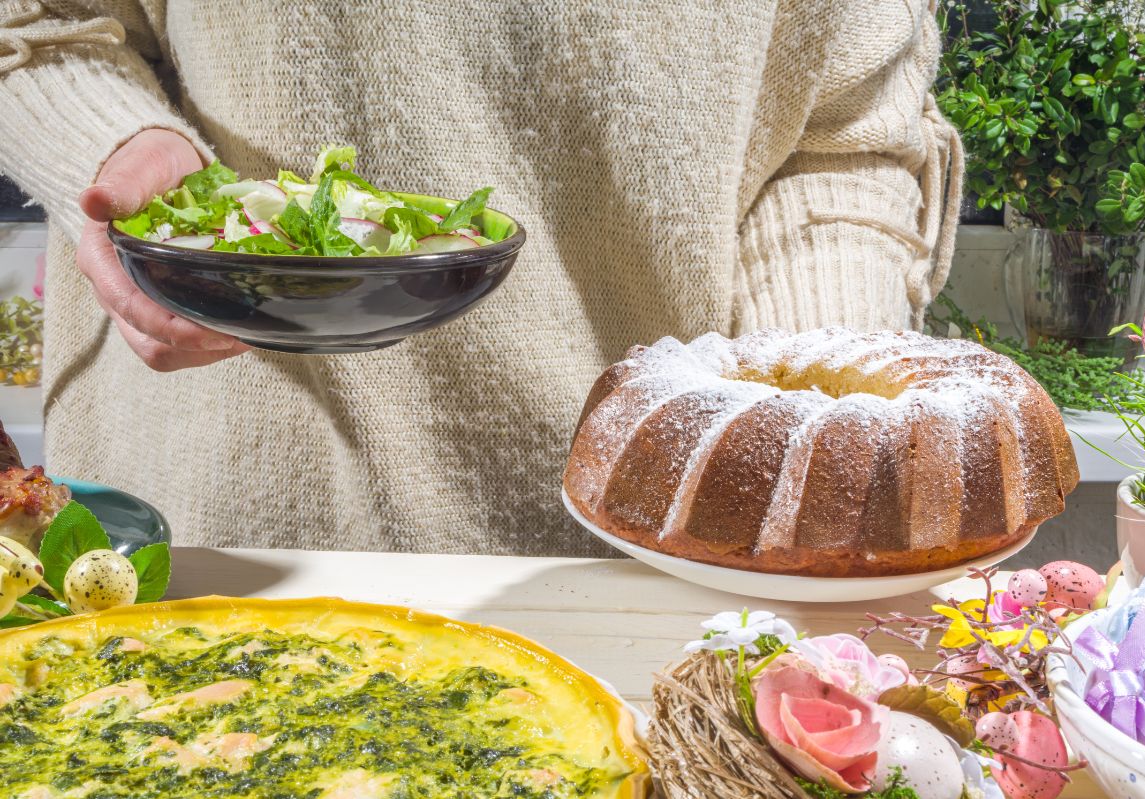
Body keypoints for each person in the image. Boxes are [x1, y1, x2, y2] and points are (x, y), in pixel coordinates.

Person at [0, 0, 962, 555]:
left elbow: (843, 132)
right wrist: (123, 153)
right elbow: (44, 20)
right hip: (227, 538)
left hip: (652, 553)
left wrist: (822, 416)